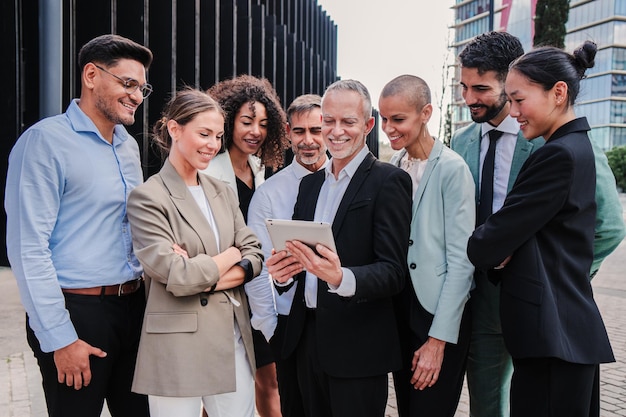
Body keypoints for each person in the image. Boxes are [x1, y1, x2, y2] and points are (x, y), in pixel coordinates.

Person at [450, 31, 626, 417]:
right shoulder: (460, 143)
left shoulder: (559, 149)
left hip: (546, 313)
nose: (469, 99)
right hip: (487, 303)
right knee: (488, 403)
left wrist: (551, 274)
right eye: (462, 87)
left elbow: (610, 227)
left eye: (481, 88)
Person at [4, 34, 152, 417]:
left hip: (133, 308)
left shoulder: (127, 146)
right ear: (91, 75)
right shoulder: (44, 142)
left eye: (142, 87)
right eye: (127, 83)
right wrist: (60, 338)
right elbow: (27, 248)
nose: (137, 95)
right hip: (77, 313)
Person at [266, 79, 413, 417]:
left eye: (348, 122)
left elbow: (393, 272)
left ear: (368, 125)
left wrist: (339, 277)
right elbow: (299, 264)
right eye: (328, 121)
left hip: (357, 350)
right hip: (303, 343)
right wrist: (284, 275)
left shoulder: (389, 181)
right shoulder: (309, 185)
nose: (336, 131)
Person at [126, 88, 263, 416]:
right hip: (177, 341)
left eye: (217, 136)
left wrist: (207, 275)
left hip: (230, 335)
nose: (213, 144)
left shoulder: (222, 191)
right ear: (175, 129)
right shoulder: (148, 197)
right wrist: (231, 254)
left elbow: (255, 253)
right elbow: (178, 275)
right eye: (204, 134)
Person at [379, 75, 475, 417]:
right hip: (399, 308)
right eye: (384, 118)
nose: (389, 128)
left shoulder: (452, 169)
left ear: (426, 113)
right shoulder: (393, 167)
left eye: (398, 119)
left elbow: (463, 262)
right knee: (407, 407)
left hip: (436, 312)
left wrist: (438, 341)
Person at [201, 74, 288, 417]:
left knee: (270, 380)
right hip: (224, 291)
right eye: (247, 121)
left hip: (258, 290)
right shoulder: (208, 168)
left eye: (264, 124)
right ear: (227, 120)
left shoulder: (260, 168)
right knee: (218, 390)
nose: (256, 131)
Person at [246, 94, 329, 417]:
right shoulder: (269, 194)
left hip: (340, 322)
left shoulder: (345, 185)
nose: (308, 141)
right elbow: (256, 265)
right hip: (289, 326)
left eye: (316, 130)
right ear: (287, 132)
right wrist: (269, 326)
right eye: (299, 132)